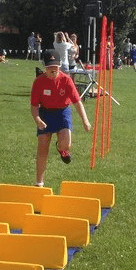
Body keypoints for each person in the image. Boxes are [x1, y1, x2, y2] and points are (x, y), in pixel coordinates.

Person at [30, 49, 92, 187]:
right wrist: (37, 119)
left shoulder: (66, 80)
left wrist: (85, 121)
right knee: (42, 147)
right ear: (45, 67)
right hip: (45, 113)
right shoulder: (38, 82)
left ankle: (60, 148)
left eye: (56, 67)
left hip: (62, 112)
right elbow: (34, 106)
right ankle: (39, 182)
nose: (53, 69)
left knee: (66, 144)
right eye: (50, 67)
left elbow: (77, 102)